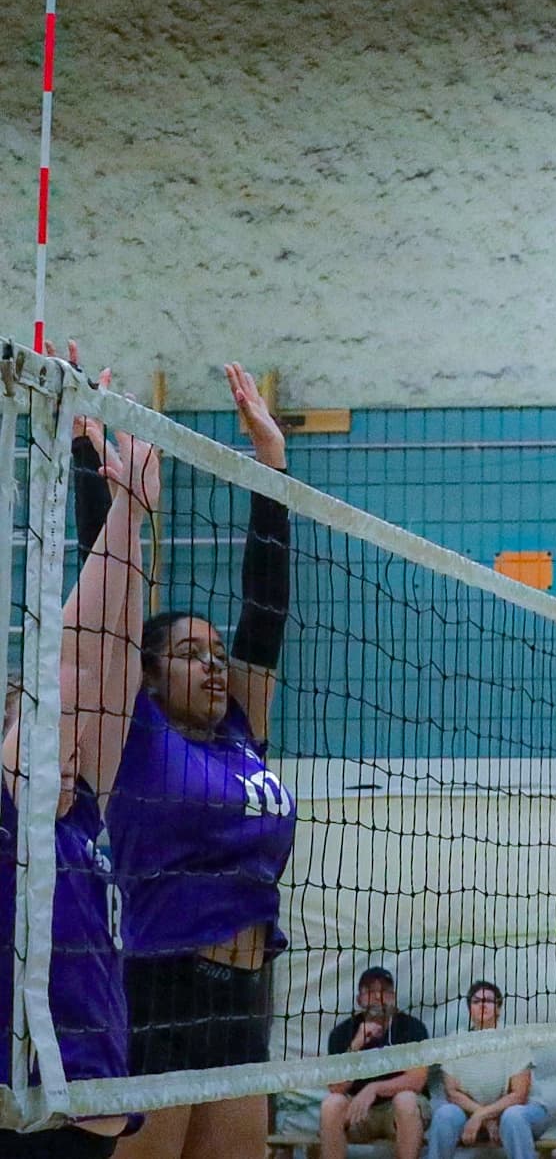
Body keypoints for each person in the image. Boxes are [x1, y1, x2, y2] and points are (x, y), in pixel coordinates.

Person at [102, 363, 294, 1159]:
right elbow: (107, 617)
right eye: (188, 653)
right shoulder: (136, 732)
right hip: (161, 992)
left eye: (216, 654)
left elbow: (265, 613)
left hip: (245, 998)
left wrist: (271, 471)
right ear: (147, 674)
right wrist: (109, 488)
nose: (214, 665)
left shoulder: (243, 733)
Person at [0, 399, 160, 1157]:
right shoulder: (11, 814)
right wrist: (120, 505)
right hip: (23, 1100)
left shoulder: (79, 814)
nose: (77, 740)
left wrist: (131, 515)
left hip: (88, 1097)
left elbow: (117, 659)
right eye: (56, 731)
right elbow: (70, 663)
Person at [427, 979, 549, 1159]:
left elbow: (519, 1095)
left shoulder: (514, 1038)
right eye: (476, 1001)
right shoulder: (455, 1041)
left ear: (498, 1008)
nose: (482, 1005)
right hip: (471, 1118)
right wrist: (484, 1119)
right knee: (445, 1114)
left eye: (489, 1001)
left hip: (522, 1114)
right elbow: (452, 1093)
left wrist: (481, 1116)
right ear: (469, 1008)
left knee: (513, 1116)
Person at [319, 966, 431, 1159]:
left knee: (406, 1099)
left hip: (397, 1112)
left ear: (393, 997)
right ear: (359, 1000)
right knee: (331, 1104)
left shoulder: (412, 1027)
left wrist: (374, 1088)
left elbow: (417, 1081)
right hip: (360, 1111)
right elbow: (336, 1087)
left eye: (385, 991)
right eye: (370, 991)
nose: (378, 997)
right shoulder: (343, 1032)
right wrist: (356, 1045)